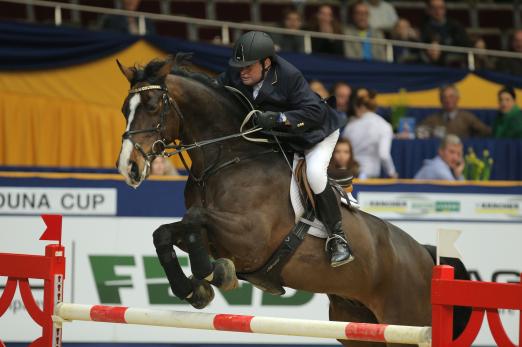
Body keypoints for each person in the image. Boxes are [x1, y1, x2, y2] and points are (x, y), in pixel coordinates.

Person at [217, 31, 352, 267]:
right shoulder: (238, 73)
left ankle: (337, 237)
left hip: (316, 134)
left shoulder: (289, 76)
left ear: (266, 63)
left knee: (314, 174)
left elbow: (314, 113)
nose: (242, 71)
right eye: (239, 66)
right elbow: (214, 89)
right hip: (285, 138)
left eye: (248, 66)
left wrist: (279, 119)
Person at [342, 88, 397, 179]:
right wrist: (392, 173)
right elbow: (384, 155)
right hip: (371, 174)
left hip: (351, 174)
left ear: (359, 107)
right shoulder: (384, 126)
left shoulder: (350, 126)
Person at [419, 84, 491, 139]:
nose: (448, 100)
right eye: (445, 97)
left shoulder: (467, 117)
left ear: (457, 99)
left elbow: (486, 131)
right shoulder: (433, 118)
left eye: (451, 96)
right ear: (441, 100)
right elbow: (419, 131)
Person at [420, 0, 470, 67]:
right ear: (428, 10)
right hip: (428, 67)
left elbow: (465, 44)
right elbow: (420, 46)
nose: (438, 11)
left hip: (454, 67)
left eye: (441, 7)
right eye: (434, 8)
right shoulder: (423, 26)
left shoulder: (455, 26)